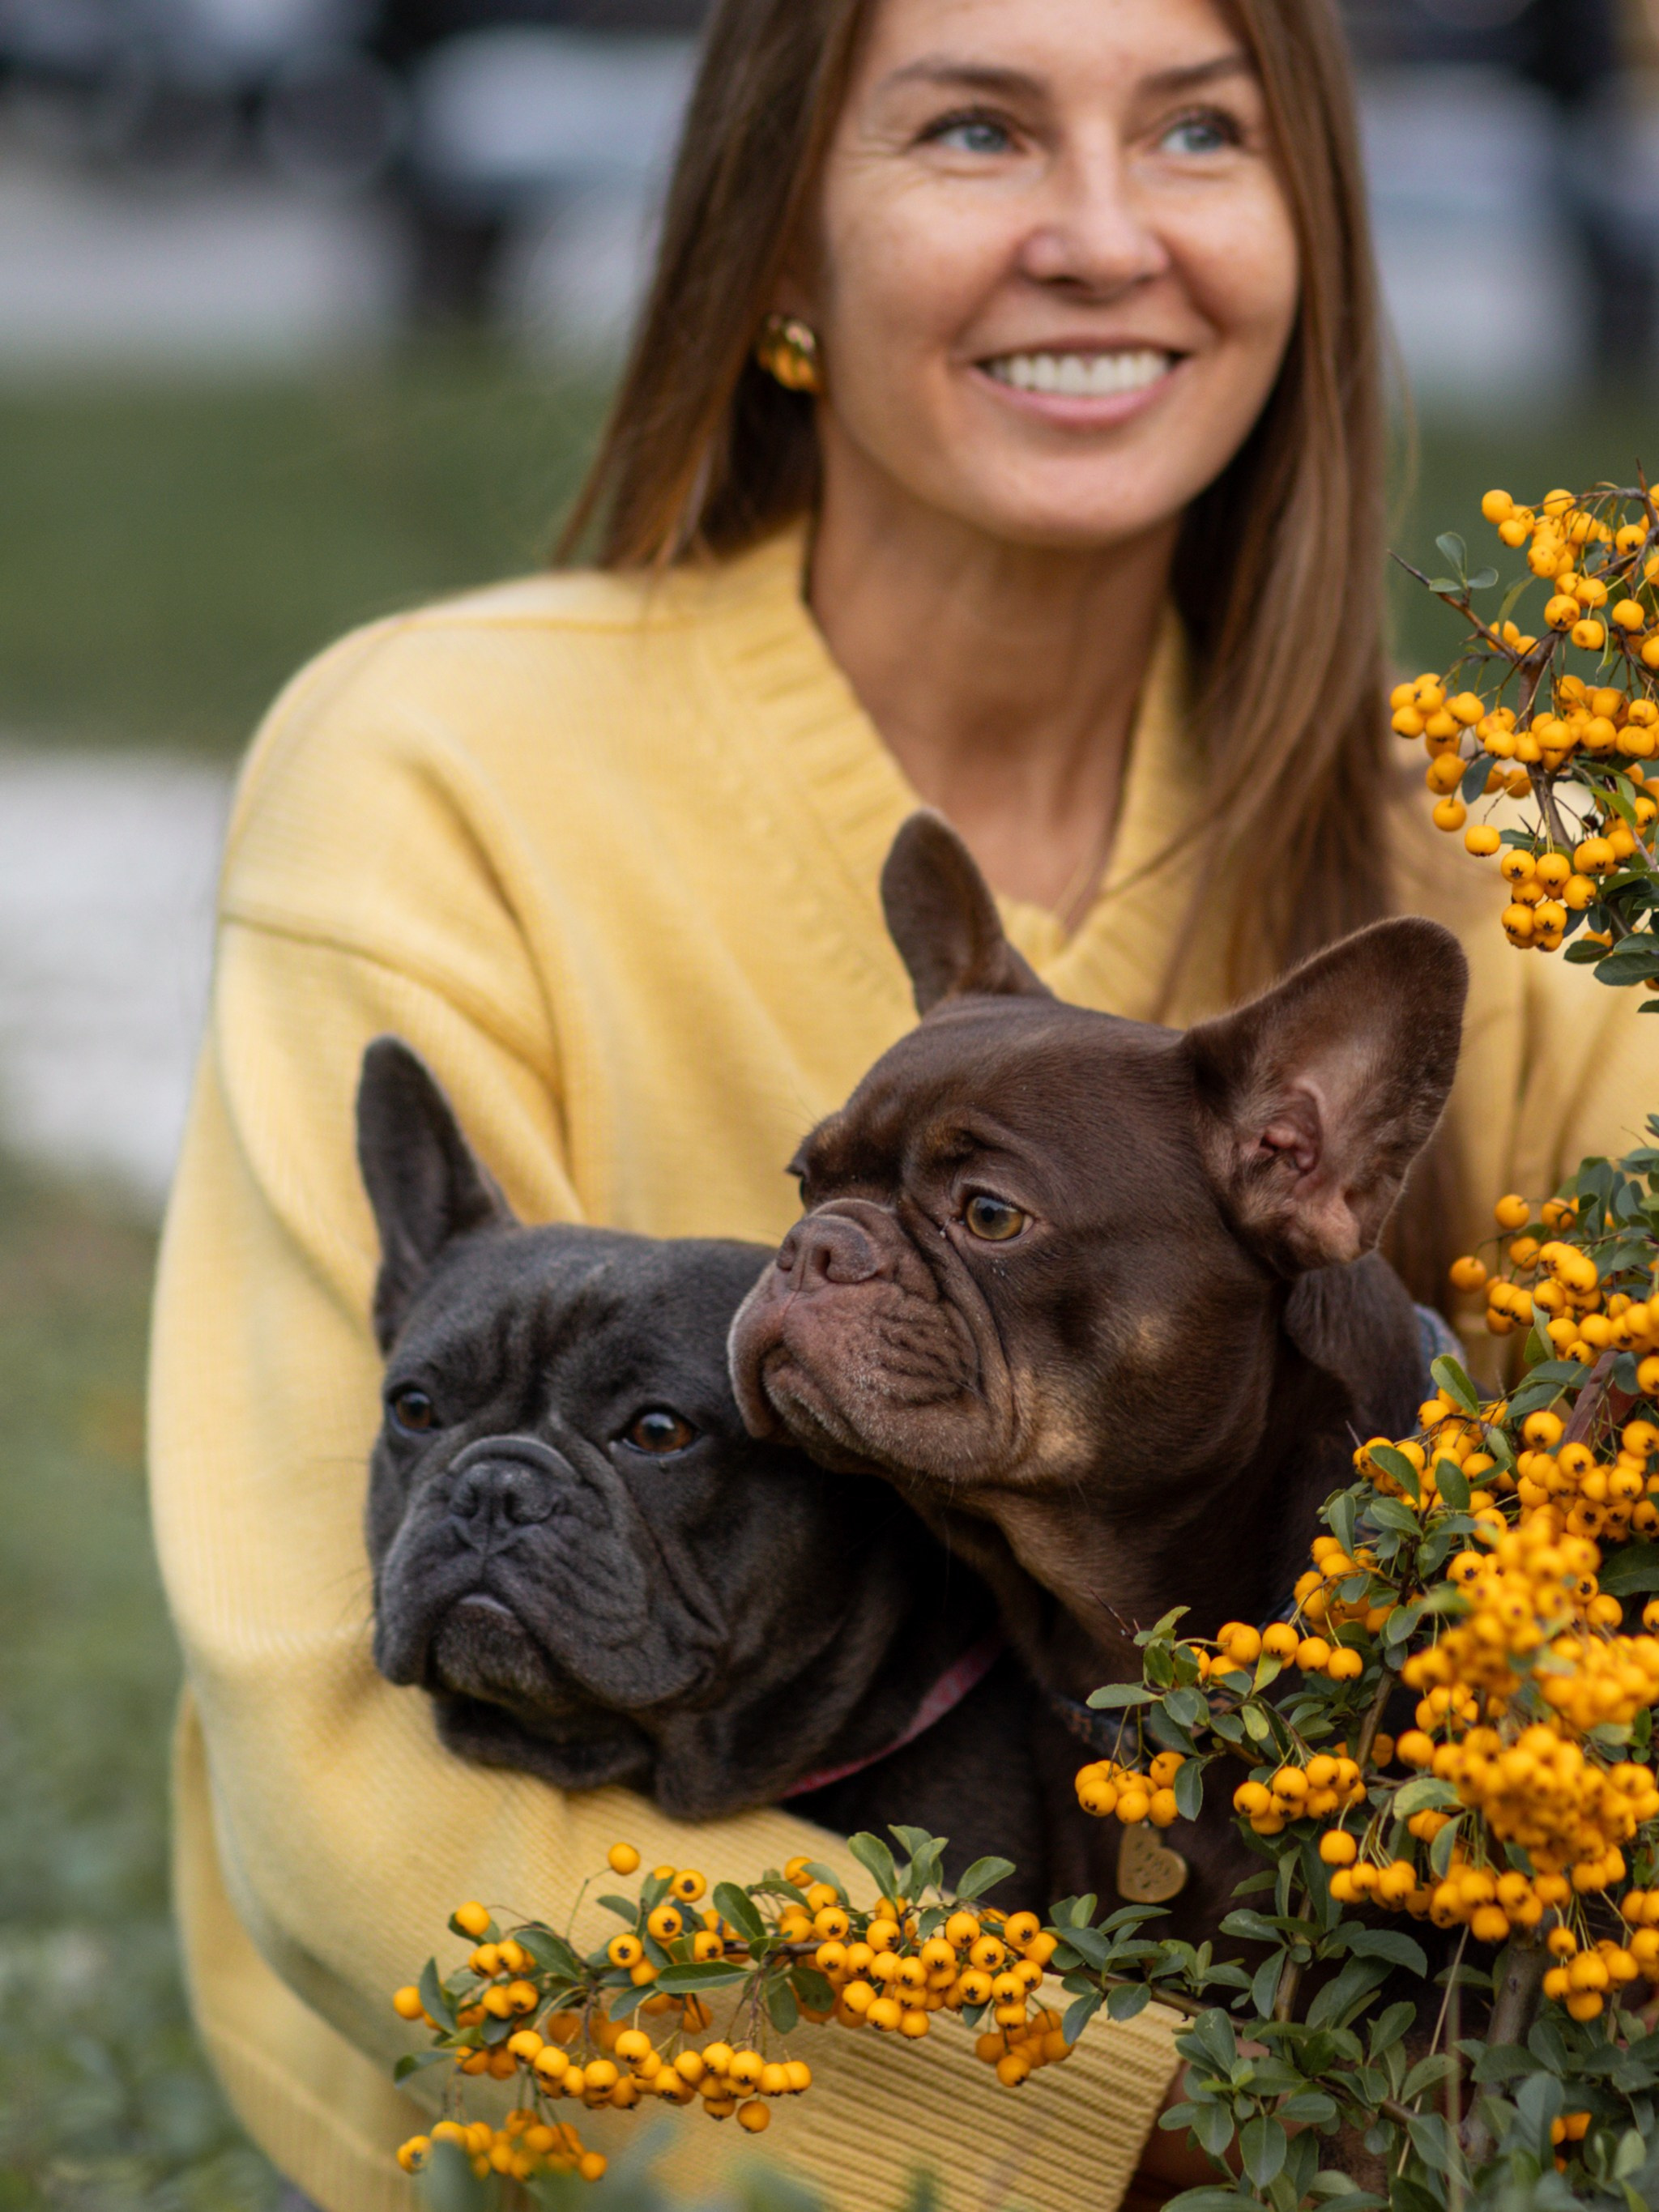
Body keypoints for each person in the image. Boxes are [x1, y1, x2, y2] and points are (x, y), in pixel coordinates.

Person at [147, 0, 1655, 2205]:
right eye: (976, 130)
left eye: (1201, 135)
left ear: (1310, 240)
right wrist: (1165, 2134)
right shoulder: (442, 770)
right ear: (775, 244)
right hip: (597, 2161)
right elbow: (351, 1789)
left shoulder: (1475, 848)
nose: (1104, 233)